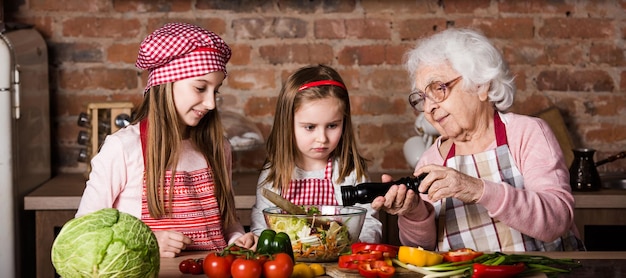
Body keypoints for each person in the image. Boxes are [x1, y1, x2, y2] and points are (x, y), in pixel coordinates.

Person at [372, 28, 584, 252]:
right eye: (422, 98)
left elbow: (557, 220)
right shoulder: (432, 159)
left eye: (439, 88)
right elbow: (422, 249)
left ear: (481, 85)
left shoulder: (526, 133)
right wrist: (415, 213)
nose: (428, 108)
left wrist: (477, 189)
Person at [76, 22, 256, 257]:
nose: (211, 103)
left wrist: (237, 239)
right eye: (201, 88)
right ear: (165, 84)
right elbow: (83, 231)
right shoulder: (122, 148)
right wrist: (147, 241)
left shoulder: (218, 147)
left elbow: (228, 222)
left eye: (216, 90)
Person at [250, 64, 383, 244]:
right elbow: (262, 224)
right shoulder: (274, 173)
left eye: (332, 126)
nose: (322, 138)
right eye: (310, 127)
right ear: (287, 124)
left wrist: (358, 247)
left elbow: (368, 223)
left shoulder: (350, 172)